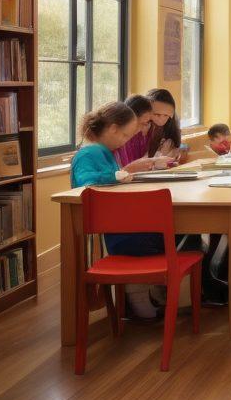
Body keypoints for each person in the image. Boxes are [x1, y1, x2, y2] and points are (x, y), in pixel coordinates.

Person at [69, 102, 162, 319]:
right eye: (125, 135)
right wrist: (120, 175)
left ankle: (148, 292)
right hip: (115, 230)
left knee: (165, 235)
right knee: (164, 237)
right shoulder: (89, 153)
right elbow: (86, 184)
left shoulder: (104, 152)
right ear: (112, 128)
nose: (126, 141)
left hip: (119, 223)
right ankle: (138, 292)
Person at [115, 94, 174, 173]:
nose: (143, 129)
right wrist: (152, 161)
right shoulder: (118, 140)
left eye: (148, 123)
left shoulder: (144, 135)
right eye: (143, 123)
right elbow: (119, 173)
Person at [146, 88, 188, 164]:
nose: (161, 119)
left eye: (166, 115)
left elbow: (180, 144)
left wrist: (182, 148)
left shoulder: (171, 128)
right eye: (157, 114)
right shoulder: (141, 128)